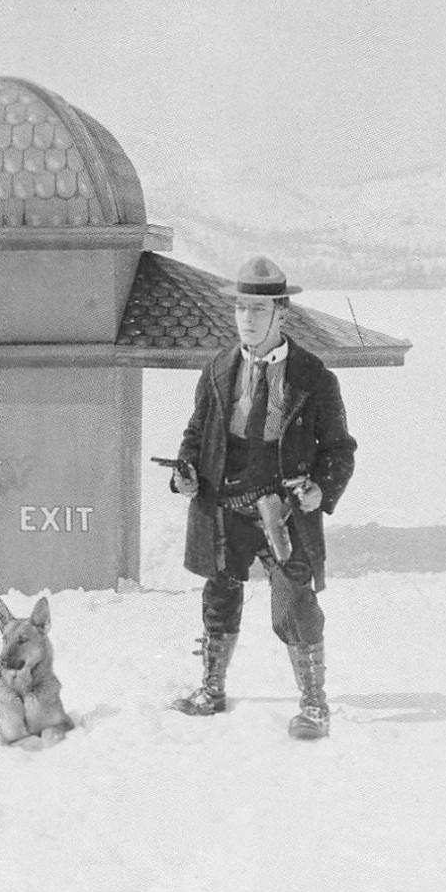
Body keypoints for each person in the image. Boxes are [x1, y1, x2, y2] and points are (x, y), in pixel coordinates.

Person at [169, 256, 357, 739]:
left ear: (282, 315)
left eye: (257, 310)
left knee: (295, 603)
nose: (246, 320)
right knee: (219, 593)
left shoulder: (314, 378)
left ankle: (315, 703)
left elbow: (339, 450)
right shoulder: (217, 371)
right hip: (225, 505)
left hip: (284, 511)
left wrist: (320, 490)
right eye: (240, 310)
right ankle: (211, 688)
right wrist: (186, 473)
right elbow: (195, 435)